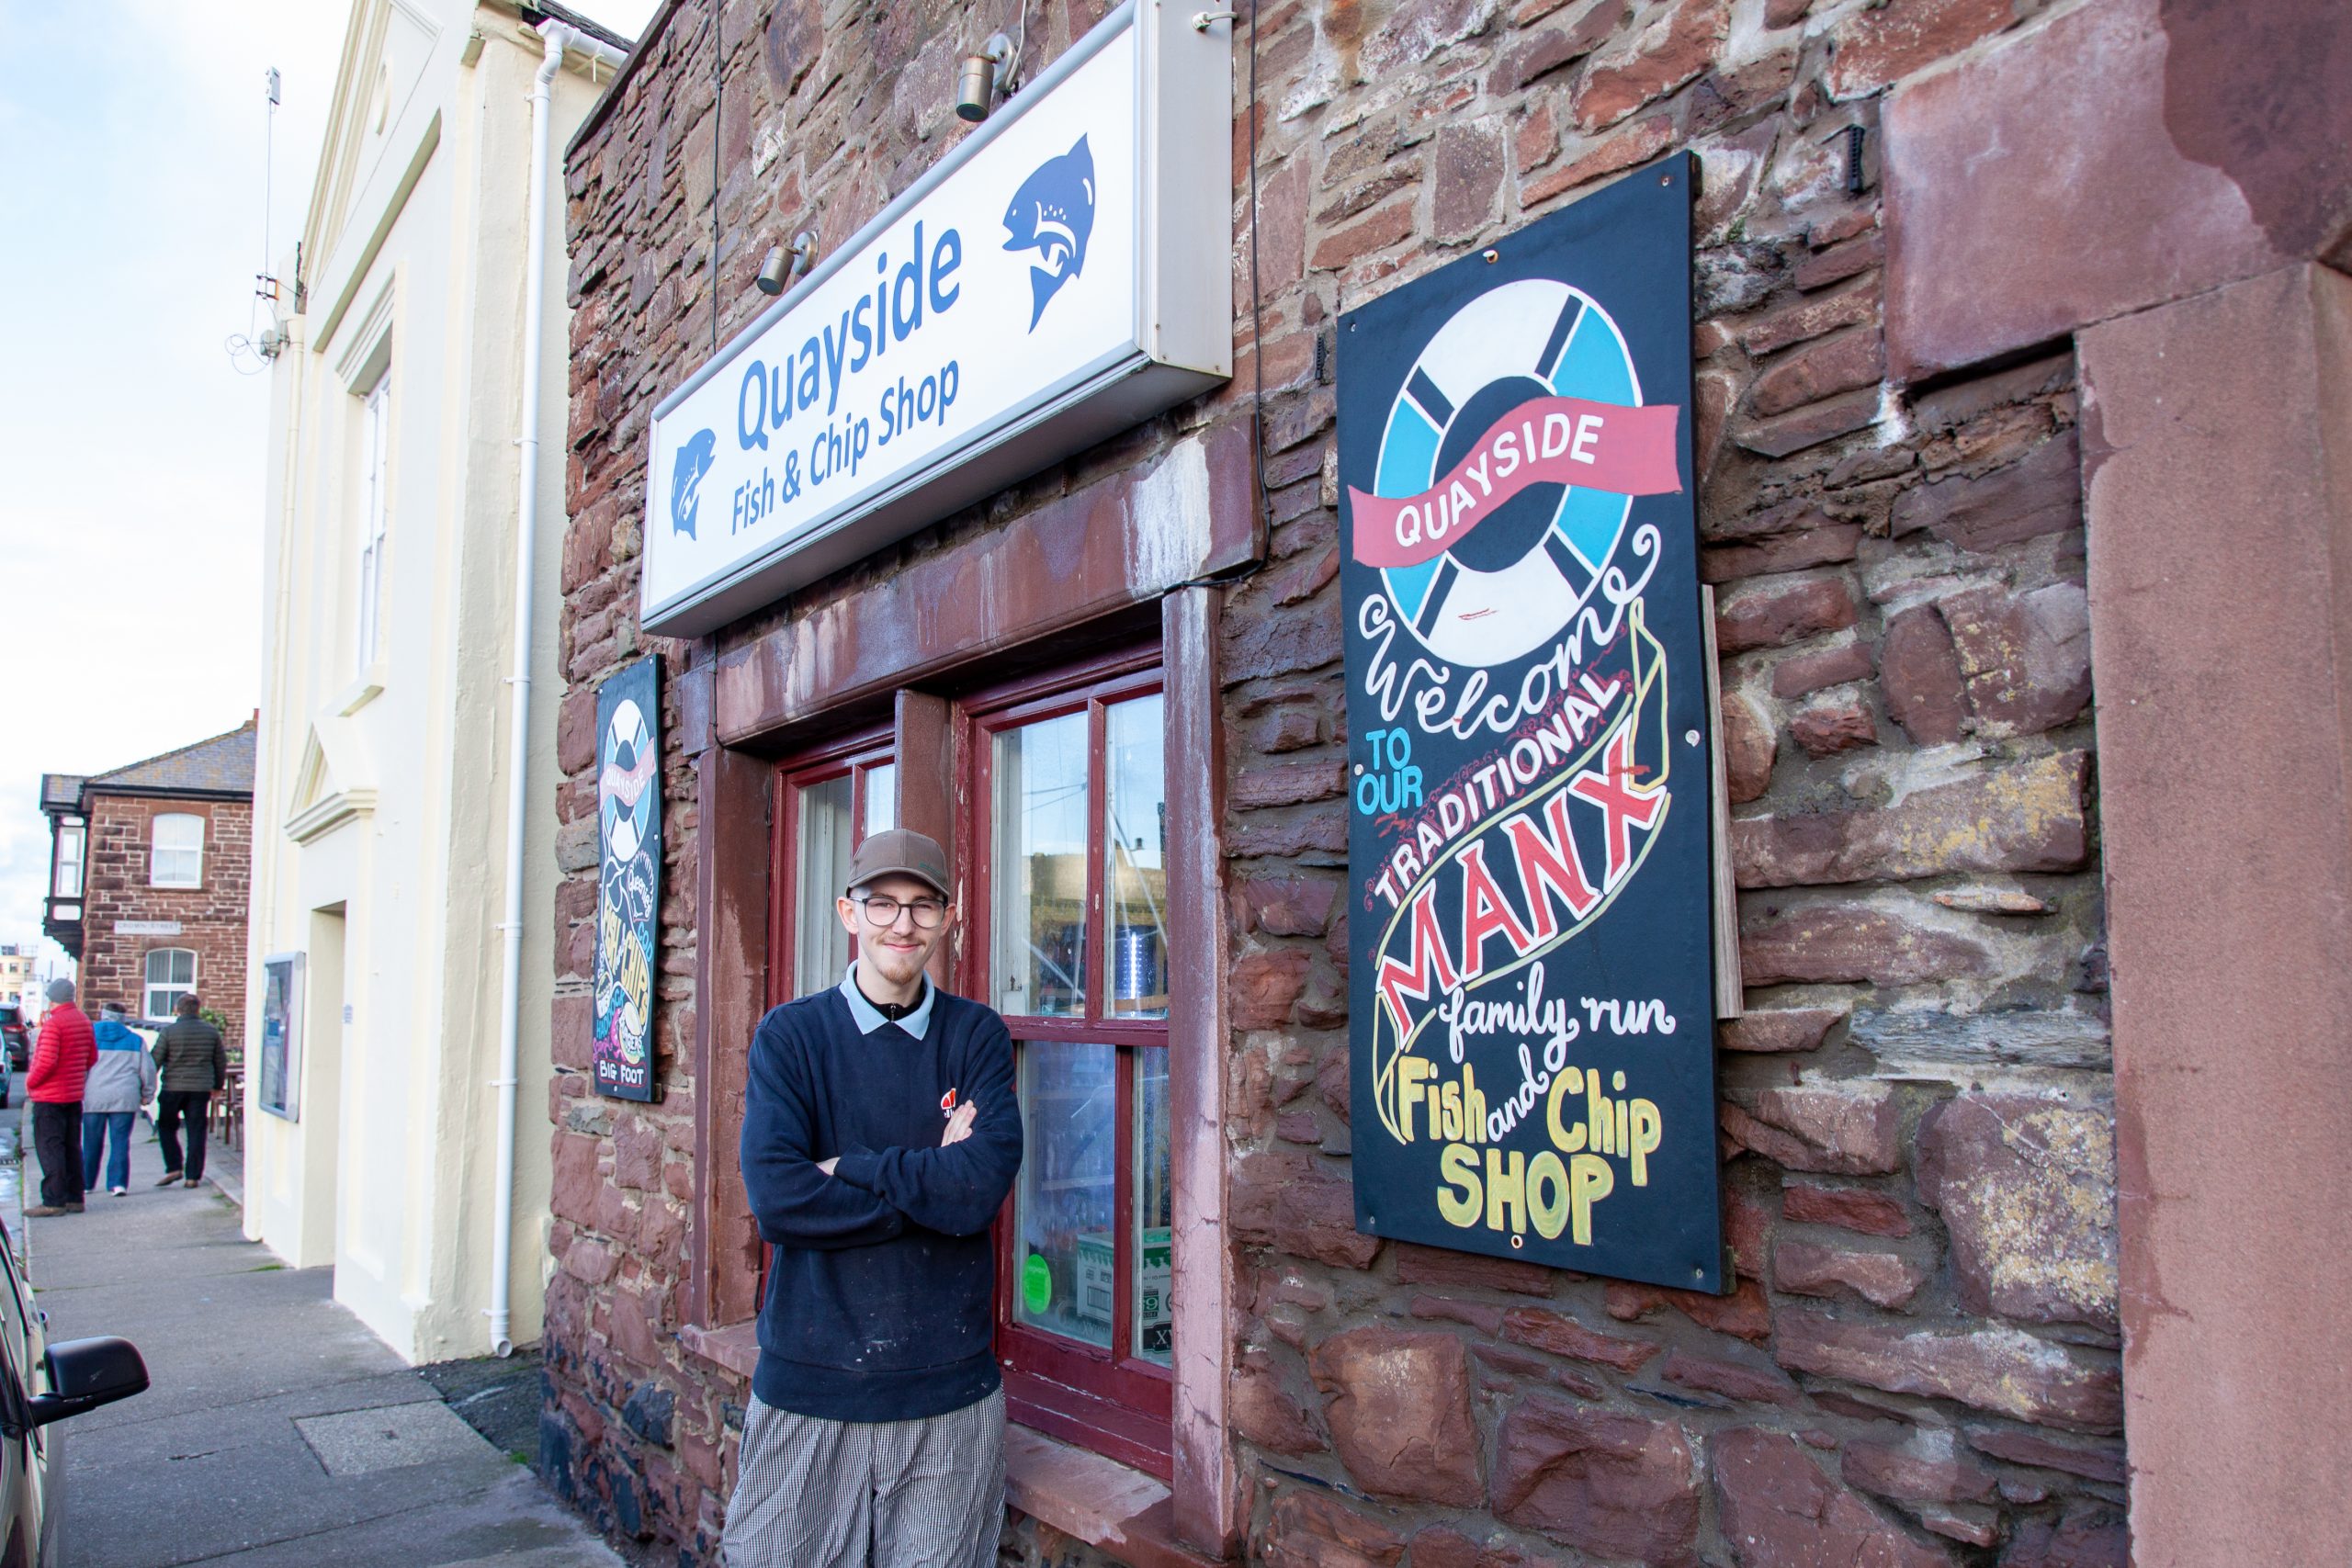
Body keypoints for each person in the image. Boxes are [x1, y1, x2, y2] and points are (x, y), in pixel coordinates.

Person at [723, 829, 1023, 1568]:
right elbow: (779, 1199)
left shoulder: (977, 1036)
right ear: (847, 911)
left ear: (949, 918)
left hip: (949, 1393)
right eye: (882, 903)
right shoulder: (790, 1038)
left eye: (924, 905)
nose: (902, 923)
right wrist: (931, 1181)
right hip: (810, 1388)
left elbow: (980, 1191)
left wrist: (846, 1167)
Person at [25, 977, 96, 1217]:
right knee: (72, 1147)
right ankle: (75, 1197)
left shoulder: (54, 1025)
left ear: (52, 997)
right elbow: (92, 1057)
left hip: (50, 1096)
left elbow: (46, 1062)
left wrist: (30, 1082)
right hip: (73, 1094)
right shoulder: (83, 1020)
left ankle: (54, 1200)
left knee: (50, 1147)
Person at [150, 994, 227, 1189]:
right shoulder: (211, 1032)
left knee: (166, 1127)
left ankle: (174, 1166)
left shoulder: (169, 1032)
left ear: (178, 1009)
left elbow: (155, 1060)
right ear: (198, 1009)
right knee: (196, 1131)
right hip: (200, 1089)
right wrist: (218, 1085)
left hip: (173, 1087)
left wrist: (146, 1086)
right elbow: (220, 1061)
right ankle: (193, 1176)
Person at [83, 1003, 158, 1197]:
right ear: (122, 1019)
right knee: (120, 1141)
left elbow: (80, 1068)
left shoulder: (88, 1038)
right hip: (125, 1096)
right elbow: (148, 1071)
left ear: (103, 1015)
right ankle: (118, 1184)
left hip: (94, 1096)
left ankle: (86, 1183)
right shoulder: (135, 1040)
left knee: (91, 1142)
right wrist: (147, 1095)